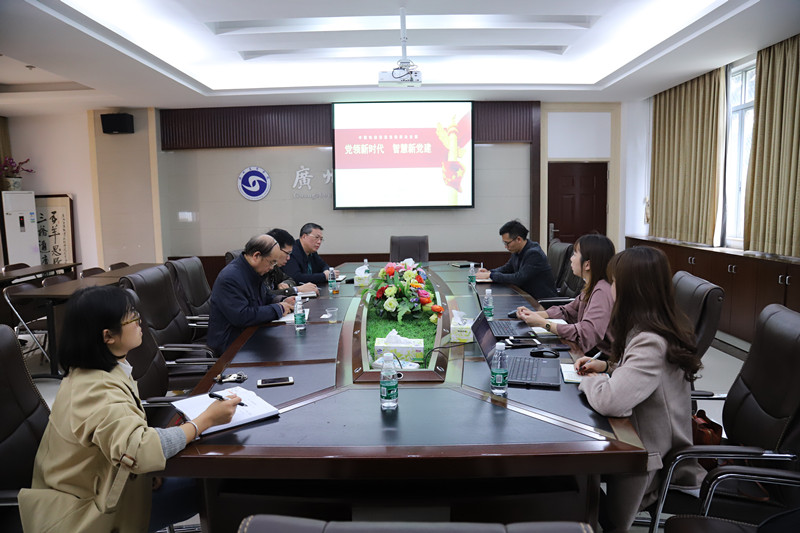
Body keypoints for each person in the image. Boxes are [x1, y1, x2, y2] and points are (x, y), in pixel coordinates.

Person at [18, 286, 239, 533]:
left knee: (214, 483)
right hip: (88, 515)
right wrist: (204, 421)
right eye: (132, 317)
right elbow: (141, 449)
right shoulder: (95, 390)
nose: (139, 321)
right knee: (219, 488)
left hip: (109, 484)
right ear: (108, 336)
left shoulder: (101, 370)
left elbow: (125, 442)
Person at [574, 246, 704, 533]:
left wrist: (589, 380)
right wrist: (607, 367)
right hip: (638, 442)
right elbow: (641, 375)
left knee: (569, 477)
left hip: (654, 462)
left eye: (614, 282)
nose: (610, 289)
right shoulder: (655, 326)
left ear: (631, 289)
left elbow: (610, 401)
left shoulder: (650, 340)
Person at [516, 234, 616, 355]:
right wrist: (534, 315)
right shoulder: (592, 286)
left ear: (587, 264)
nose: (571, 259)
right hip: (588, 353)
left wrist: (542, 323)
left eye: (575, 254)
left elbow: (585, 334)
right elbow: (567, 312)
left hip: (597, 358)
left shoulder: (602, 292)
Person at [208, 234, 296, 354]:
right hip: (231, 345)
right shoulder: (230, 277)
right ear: (256, 256)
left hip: (250, 334)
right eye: (272, 262)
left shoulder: (252, 271)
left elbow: (264, 296)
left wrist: (282, 300)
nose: (272, 268)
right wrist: (278, 309)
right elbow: (242, 316)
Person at [476, 220, 557, 299]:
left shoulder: (534, 254)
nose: (505, 246)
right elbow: (507, 268)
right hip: (526, 296)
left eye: (507, 243)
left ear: (519, 239)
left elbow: (519, 278)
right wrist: (489, 272)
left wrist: (491, 275)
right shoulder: (518, 250)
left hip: (540, 301)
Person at [265, 227, 319, 297]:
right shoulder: (260, 269)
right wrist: (296, 290)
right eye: (287, 253)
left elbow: (290, 279)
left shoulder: (274, 267)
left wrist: (286, 284)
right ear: (275, 249)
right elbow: (264, 295)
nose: (288, 258)